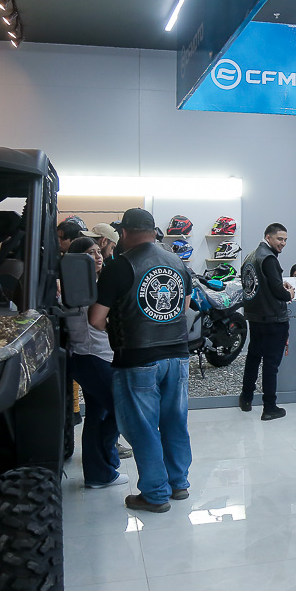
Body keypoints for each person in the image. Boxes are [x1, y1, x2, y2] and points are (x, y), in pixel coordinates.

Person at [88, 208, 193, 514]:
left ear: (124, 232)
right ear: (153, 231)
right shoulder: (177, 262)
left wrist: (120, 326)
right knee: (175, 422)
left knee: (143, 427)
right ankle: (178, 483)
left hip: (137, 358)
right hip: (178, 355)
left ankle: (155, 494)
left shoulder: (119, 266)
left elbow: (96, 319)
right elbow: (185, 305)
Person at [64, 237, 126, 489]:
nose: (98, 256)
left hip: (88, 356)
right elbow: (96, 322)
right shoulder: (82, 287)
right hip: (93, 356)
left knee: (96, 415)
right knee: (122, 410)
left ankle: (99, 472)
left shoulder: (86, 284)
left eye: (99, 251)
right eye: (91, 253)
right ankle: (104, 466)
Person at [240, 223, 295, 420]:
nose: (283, 243)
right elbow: (278, 291)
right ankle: (270, 407)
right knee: (271, 364)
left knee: (253, 358)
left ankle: (246, 399)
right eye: (280, 239)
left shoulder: (250, 256)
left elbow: (258, 284)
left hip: (255, 317)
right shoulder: (269, 258)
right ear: (268, 237)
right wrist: (289, 293)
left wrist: (279, 283)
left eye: (285, 240)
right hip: (273, 318)